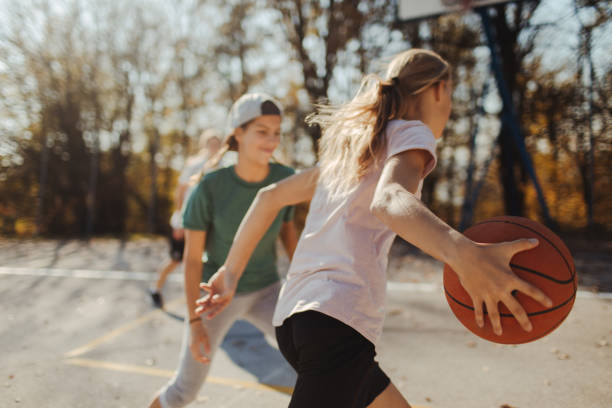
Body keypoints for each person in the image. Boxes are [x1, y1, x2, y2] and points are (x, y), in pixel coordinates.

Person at [195, 49, 553, 408]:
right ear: (440, 90)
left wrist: (230, 272)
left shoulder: (356, 148)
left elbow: (269, 197)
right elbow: (389, 199)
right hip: (335, 322)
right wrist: (463, 254)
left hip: (295, 320)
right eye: (452, 94)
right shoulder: (413, 133)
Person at [148, 93, 298, 408]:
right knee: (182, 393)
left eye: (276, 132)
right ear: (238, 134)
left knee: (321, 362)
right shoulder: (209, 187)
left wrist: (303, 285)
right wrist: (194, 322)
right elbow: (191, 260)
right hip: (214, 299)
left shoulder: (286, 179)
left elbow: (288, 232)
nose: (271, 140)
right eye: (261, 131)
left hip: (268, 291)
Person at [149, 130, 222, 308]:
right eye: (210, 143)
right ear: (204, 145)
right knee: (176, 260)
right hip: (186, 222)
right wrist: (179, 221)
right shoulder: (194, 165)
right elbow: (181, 192)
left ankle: (207, 299)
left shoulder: (222, 167)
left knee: (208, 262)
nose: (214, 147)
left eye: (217, 144)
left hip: (208, 224)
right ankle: (156, 289)